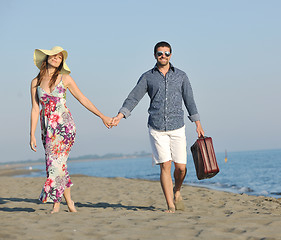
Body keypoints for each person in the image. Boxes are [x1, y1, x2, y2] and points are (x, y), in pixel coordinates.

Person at [112, 41, 204, 213]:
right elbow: (134, 98)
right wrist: (120, 115)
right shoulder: (147, 77)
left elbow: (189, 100)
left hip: (177, 126)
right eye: (160, 53)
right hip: (156, 127)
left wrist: (197, 123)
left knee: (181, 168)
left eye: (166, 53)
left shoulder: (181, 76)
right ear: (155, 55)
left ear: (171, 55)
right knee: (165, 166)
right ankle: (170, 205)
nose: (163, 56)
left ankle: (177, 190)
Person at [30, 46, 112, 213]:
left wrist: (102, 116)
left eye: (59, 57)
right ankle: (70, 202)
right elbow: (34, 109)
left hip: (64, 128)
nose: (56, 58)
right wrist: (31, 134)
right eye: (53, 55)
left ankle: (56, 203)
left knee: (55, 164)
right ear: (46, 58)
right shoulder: (35, 82)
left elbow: (83, 98)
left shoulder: (65, 78)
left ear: (61, 62)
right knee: (59, 165)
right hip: (47, 129)